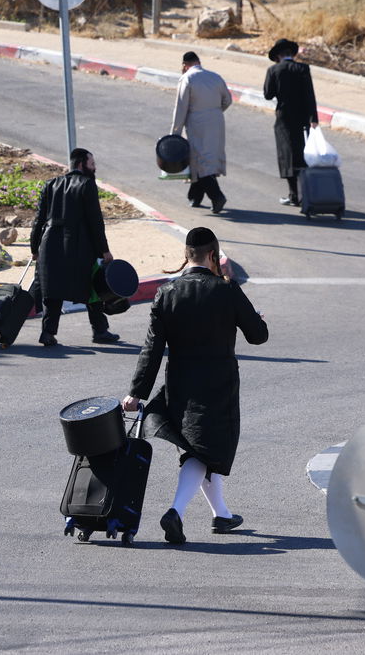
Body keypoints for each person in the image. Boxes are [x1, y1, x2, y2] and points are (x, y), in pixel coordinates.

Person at [121, 226, 268, 544]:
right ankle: (175, 512)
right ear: (213, 255)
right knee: (201, 453)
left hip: (180, 386)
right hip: (218, 386)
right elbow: (258, 336)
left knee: (201, 450)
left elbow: (152, 350)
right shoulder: (227, 290)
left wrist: (136, 393)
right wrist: (255, 316)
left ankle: (222, 515)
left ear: (185, 255)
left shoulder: (167, 293)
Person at [29, 147, 121, 347]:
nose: (94, 168)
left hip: (49, 244)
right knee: (91, 287)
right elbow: (95, 221)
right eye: (92, 164)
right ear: (81, 164)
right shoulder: (87, 184)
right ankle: (100, 331)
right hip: (78, 246)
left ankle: (48, 333)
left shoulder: (50, 184)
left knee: (52, 291)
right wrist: (104, 250)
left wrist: (35, 247)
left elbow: (38, 220)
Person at [172, 51, 234, 213]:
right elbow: (227, 100)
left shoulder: (187, 79)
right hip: (216, 121)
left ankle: (217, 196)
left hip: (196, 123)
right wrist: (215, 112)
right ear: (199, 62)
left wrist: (174, 135)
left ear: (185, 65)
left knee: (199, 160)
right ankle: (195, 196)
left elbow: (181, 108)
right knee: (208, 158)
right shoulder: (215, 77)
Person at [263, 38, 319, 207]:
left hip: (284, 119)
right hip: (302, 119)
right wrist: (313, 119)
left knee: (287, 156)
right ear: (290, 54)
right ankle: (307, 193)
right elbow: (310, 95)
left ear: (278, 55)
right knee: (303, 155)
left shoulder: (274, 70)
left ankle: (294, 195)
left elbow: (268, 94)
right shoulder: (303, 69)